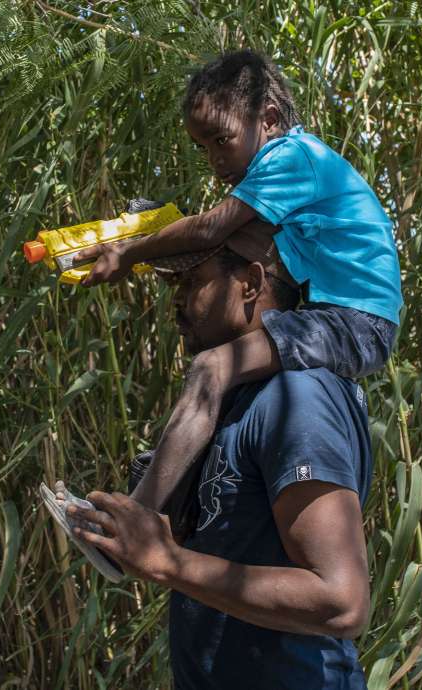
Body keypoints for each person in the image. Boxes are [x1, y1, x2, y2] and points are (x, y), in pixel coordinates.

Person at [69, 49, 400, 523]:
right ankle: (173, 496)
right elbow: (221, 242)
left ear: (267, 118)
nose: (214, 159)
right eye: (202, 147)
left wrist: (128, 253)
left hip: (353, 320)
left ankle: (136, 520)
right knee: (230, 380)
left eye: (221, 140)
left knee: (212, 369)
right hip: (336, 313)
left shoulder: (293, 157)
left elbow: (210, 232)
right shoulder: (293, 167)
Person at [68, 225, 374, 688]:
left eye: (193, 281)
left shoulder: (298, 399)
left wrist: (168, 561)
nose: (177, 300)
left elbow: (342, 602)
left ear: (250, 284)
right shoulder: (234, 400)